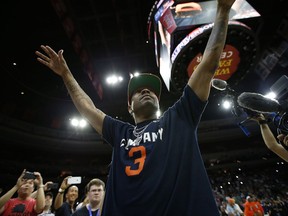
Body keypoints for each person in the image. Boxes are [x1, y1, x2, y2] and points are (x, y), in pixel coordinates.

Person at [35, 0, 236, 214]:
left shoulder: (179, 118)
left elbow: (208, 66)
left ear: (159, 104)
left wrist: (223, 11)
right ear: (129, 107)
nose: (146, 91)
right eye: (139, 92)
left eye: (151, 91)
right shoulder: (120, 131)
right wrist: (66, 74)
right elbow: (88, 108)